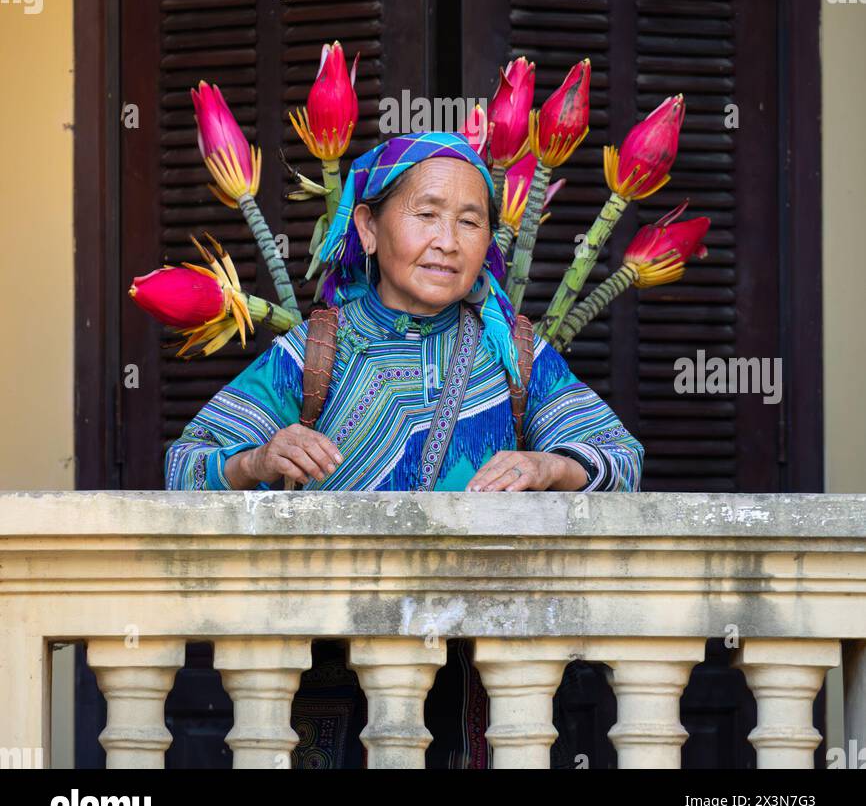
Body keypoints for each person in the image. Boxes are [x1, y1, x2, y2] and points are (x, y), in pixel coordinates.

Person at [165, 130, 644, 766]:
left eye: (470, 221)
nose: (448, 241)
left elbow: (621, 458)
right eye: (426, 215)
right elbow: (182, 466)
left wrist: (549, 464)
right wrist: (255, 459)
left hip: (486, 682)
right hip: (326, 673)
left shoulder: (516, 354)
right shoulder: (311, 353)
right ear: (366, 226)